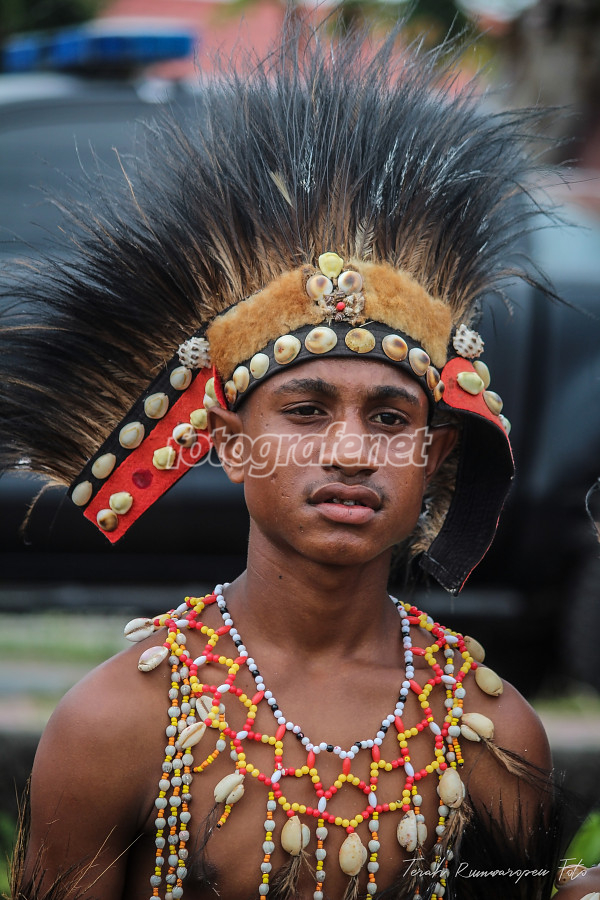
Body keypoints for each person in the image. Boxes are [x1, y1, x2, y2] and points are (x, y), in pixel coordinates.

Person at [3, 19, 600, 900]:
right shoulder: (117, 723)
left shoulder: (492, 734)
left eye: (389, 419)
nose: (351, 452)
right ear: (230, 443)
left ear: (434, 456)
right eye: (308, 411)